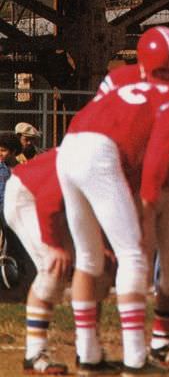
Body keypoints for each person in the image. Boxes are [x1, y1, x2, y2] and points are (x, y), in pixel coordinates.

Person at [56, 29, 169, 377]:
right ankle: (137, 360)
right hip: (107, 155)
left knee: (89, 257)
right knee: (133, 256)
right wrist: (149, 203)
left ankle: (88, 353)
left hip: (71, 145)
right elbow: (158, 153)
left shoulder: (119, 81)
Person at [5, 148, 116, 376]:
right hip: (28, 195)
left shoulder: (120, 153)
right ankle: (34, 354)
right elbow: (49, 197)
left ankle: (88, 350)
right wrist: (55, 246)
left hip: (62, 203)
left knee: (95, 266)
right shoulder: (97, 154)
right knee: (52, 267)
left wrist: (102, 243)